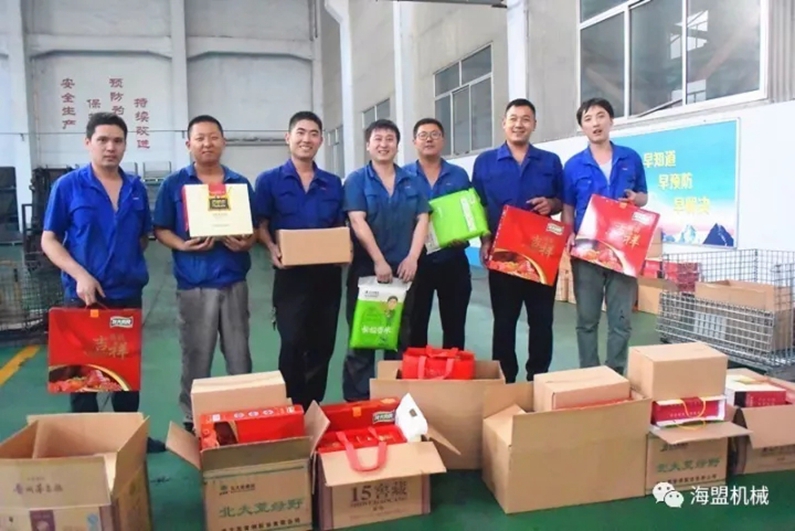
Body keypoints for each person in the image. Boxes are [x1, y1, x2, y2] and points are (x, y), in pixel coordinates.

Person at [40, 112, 165, 453]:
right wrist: (81, 274)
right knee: (82, 379)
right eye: (103, 140)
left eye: (118, 141)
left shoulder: (136, 188)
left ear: (125, 145)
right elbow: (49, 239)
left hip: (126, 293)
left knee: (124, 373)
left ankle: (129, 438)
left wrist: (122, 265)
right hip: (83, 296)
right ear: (88, 143)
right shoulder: (68, 186)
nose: (111, 147)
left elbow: (142, 237)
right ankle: (89, 443)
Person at [152, 115, 256, 432]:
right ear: (189, 144)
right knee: (196, 355)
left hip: (233, 280)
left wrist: (246, 242)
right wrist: (182, 246)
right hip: (194, 284)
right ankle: (192, 416)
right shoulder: (174, 184)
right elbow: (160, 229)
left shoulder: (239, 184)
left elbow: (253, 227)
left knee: (239, 355)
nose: (207, 144)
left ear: (223, 142)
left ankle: (244, 411)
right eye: (200, 138)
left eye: (213, 137)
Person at [254, 111, 344, 411]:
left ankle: (313, 408)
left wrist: (345, 249)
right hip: (290, 275)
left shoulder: (332, 183)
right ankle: (290, 407)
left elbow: (340, 226)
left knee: (323, 345)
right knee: (292, 343)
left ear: (321, 140)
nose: (307, 139)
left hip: (327, 276)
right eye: (301, 132)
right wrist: (271, 247)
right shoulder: (269, 180)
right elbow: (261, 223)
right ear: (288, 137)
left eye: (313, 133)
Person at [472, 98, 564, 383]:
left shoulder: (550, 161)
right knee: (504, 320)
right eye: (513, 118)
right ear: (504, 123)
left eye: (525, 119)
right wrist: (485, 240)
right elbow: (478, 205)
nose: (519, 124)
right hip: (503, 253)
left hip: (540, 253)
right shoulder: (485, 162)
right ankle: (505, 378)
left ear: (534, 124)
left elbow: (562, 200)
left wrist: (551, 203)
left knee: (541, 320)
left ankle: (538, 377)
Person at [342, 118, 430, 401]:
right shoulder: (357, 180)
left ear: (397, 145)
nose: (384, 144)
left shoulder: (412, 181)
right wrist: (379, 261)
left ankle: (395, 400)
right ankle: (358, 402)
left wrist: (413, 258)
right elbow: (357, 220)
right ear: (368, 145)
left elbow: (423, 219)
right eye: (378, 139)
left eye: (389, 139)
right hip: (367, 272)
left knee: (400, 338)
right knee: (363, 337)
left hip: (404, 272)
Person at [562, 97, 648, 376]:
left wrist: (636, 198)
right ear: (582, 127)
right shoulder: (573, 165)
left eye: (600, 116)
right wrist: (568, 234)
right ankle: (589, 374)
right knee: (587, 319)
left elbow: (644, 197)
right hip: (587, 250)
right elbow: (568, 207)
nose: (595, 123)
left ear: (611, 120)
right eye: (588, 119)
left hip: (623, 249)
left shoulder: (630, 158)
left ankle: (615, 373)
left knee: (621, 320)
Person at [403, 118, 472, 349]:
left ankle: (452, 370)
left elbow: (469, 211)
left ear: (443, 140)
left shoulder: (459, 175)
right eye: (423, 135)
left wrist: (466, 235)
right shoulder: (403, 176)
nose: (429, 139)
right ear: (414, 141)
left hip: (452, 260)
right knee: (414, 327)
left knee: (455, 327)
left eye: (435, 134)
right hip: (416, 263)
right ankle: (418, 371)